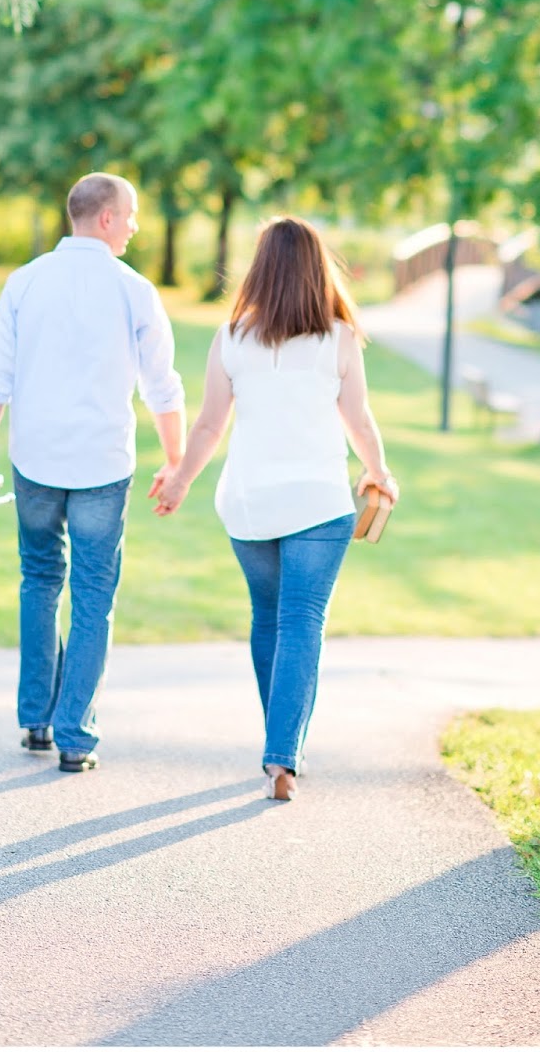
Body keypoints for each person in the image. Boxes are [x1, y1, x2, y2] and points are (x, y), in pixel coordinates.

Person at [153, 216, 397, 801]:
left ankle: (279, 748)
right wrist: (379, 471)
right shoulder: (339, 338)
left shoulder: (232, 337)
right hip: (317, 501)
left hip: (249, 502)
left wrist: (182, 478)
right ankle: (283, 756)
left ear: (259, 268)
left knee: (269, 619)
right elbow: (358, 419)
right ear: (319, 270)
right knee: (300, 624)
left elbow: (211, 424)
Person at [0, 173, 185, 773]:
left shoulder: (24, 282)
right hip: (102, 468)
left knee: (39, 580)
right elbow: (162, 388)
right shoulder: (134, 290)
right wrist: (176, 460)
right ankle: (75, 737)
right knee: (92, 597)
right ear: (105, 218)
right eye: (131, 215)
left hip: (34, 460)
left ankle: (36, 719)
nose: (136, 226)